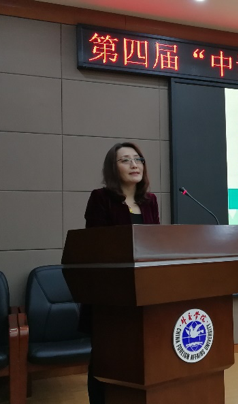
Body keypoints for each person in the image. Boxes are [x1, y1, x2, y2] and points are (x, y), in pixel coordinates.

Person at [82, 142, 160, 404]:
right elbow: (96, 248)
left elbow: (156, 245)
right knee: (106, 358)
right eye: (125, 160)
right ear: (112, 168)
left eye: (138, 159)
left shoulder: (150, 202)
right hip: (110, 296)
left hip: (144, 293)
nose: (134, 165)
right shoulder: (100, 198)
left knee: (141, 355)